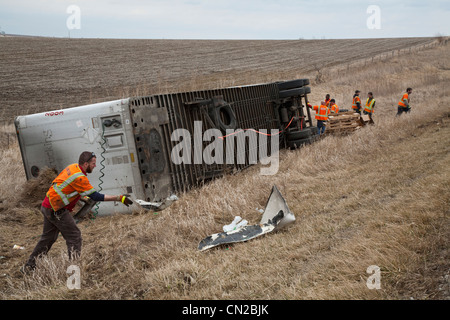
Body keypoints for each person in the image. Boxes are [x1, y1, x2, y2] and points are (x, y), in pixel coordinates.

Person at [22, 151, 133, 272]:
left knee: (47, 238)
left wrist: (78, 199)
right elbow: (95, 196)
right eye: (93, 163)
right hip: (56, 210)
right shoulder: (80, 178)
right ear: (86, 164)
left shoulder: (73, 167)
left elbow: (65, 186)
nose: (95, 166)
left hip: (47, 205)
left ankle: (29, 266)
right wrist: (119, 198)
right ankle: (74, 271)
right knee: (74, 236)